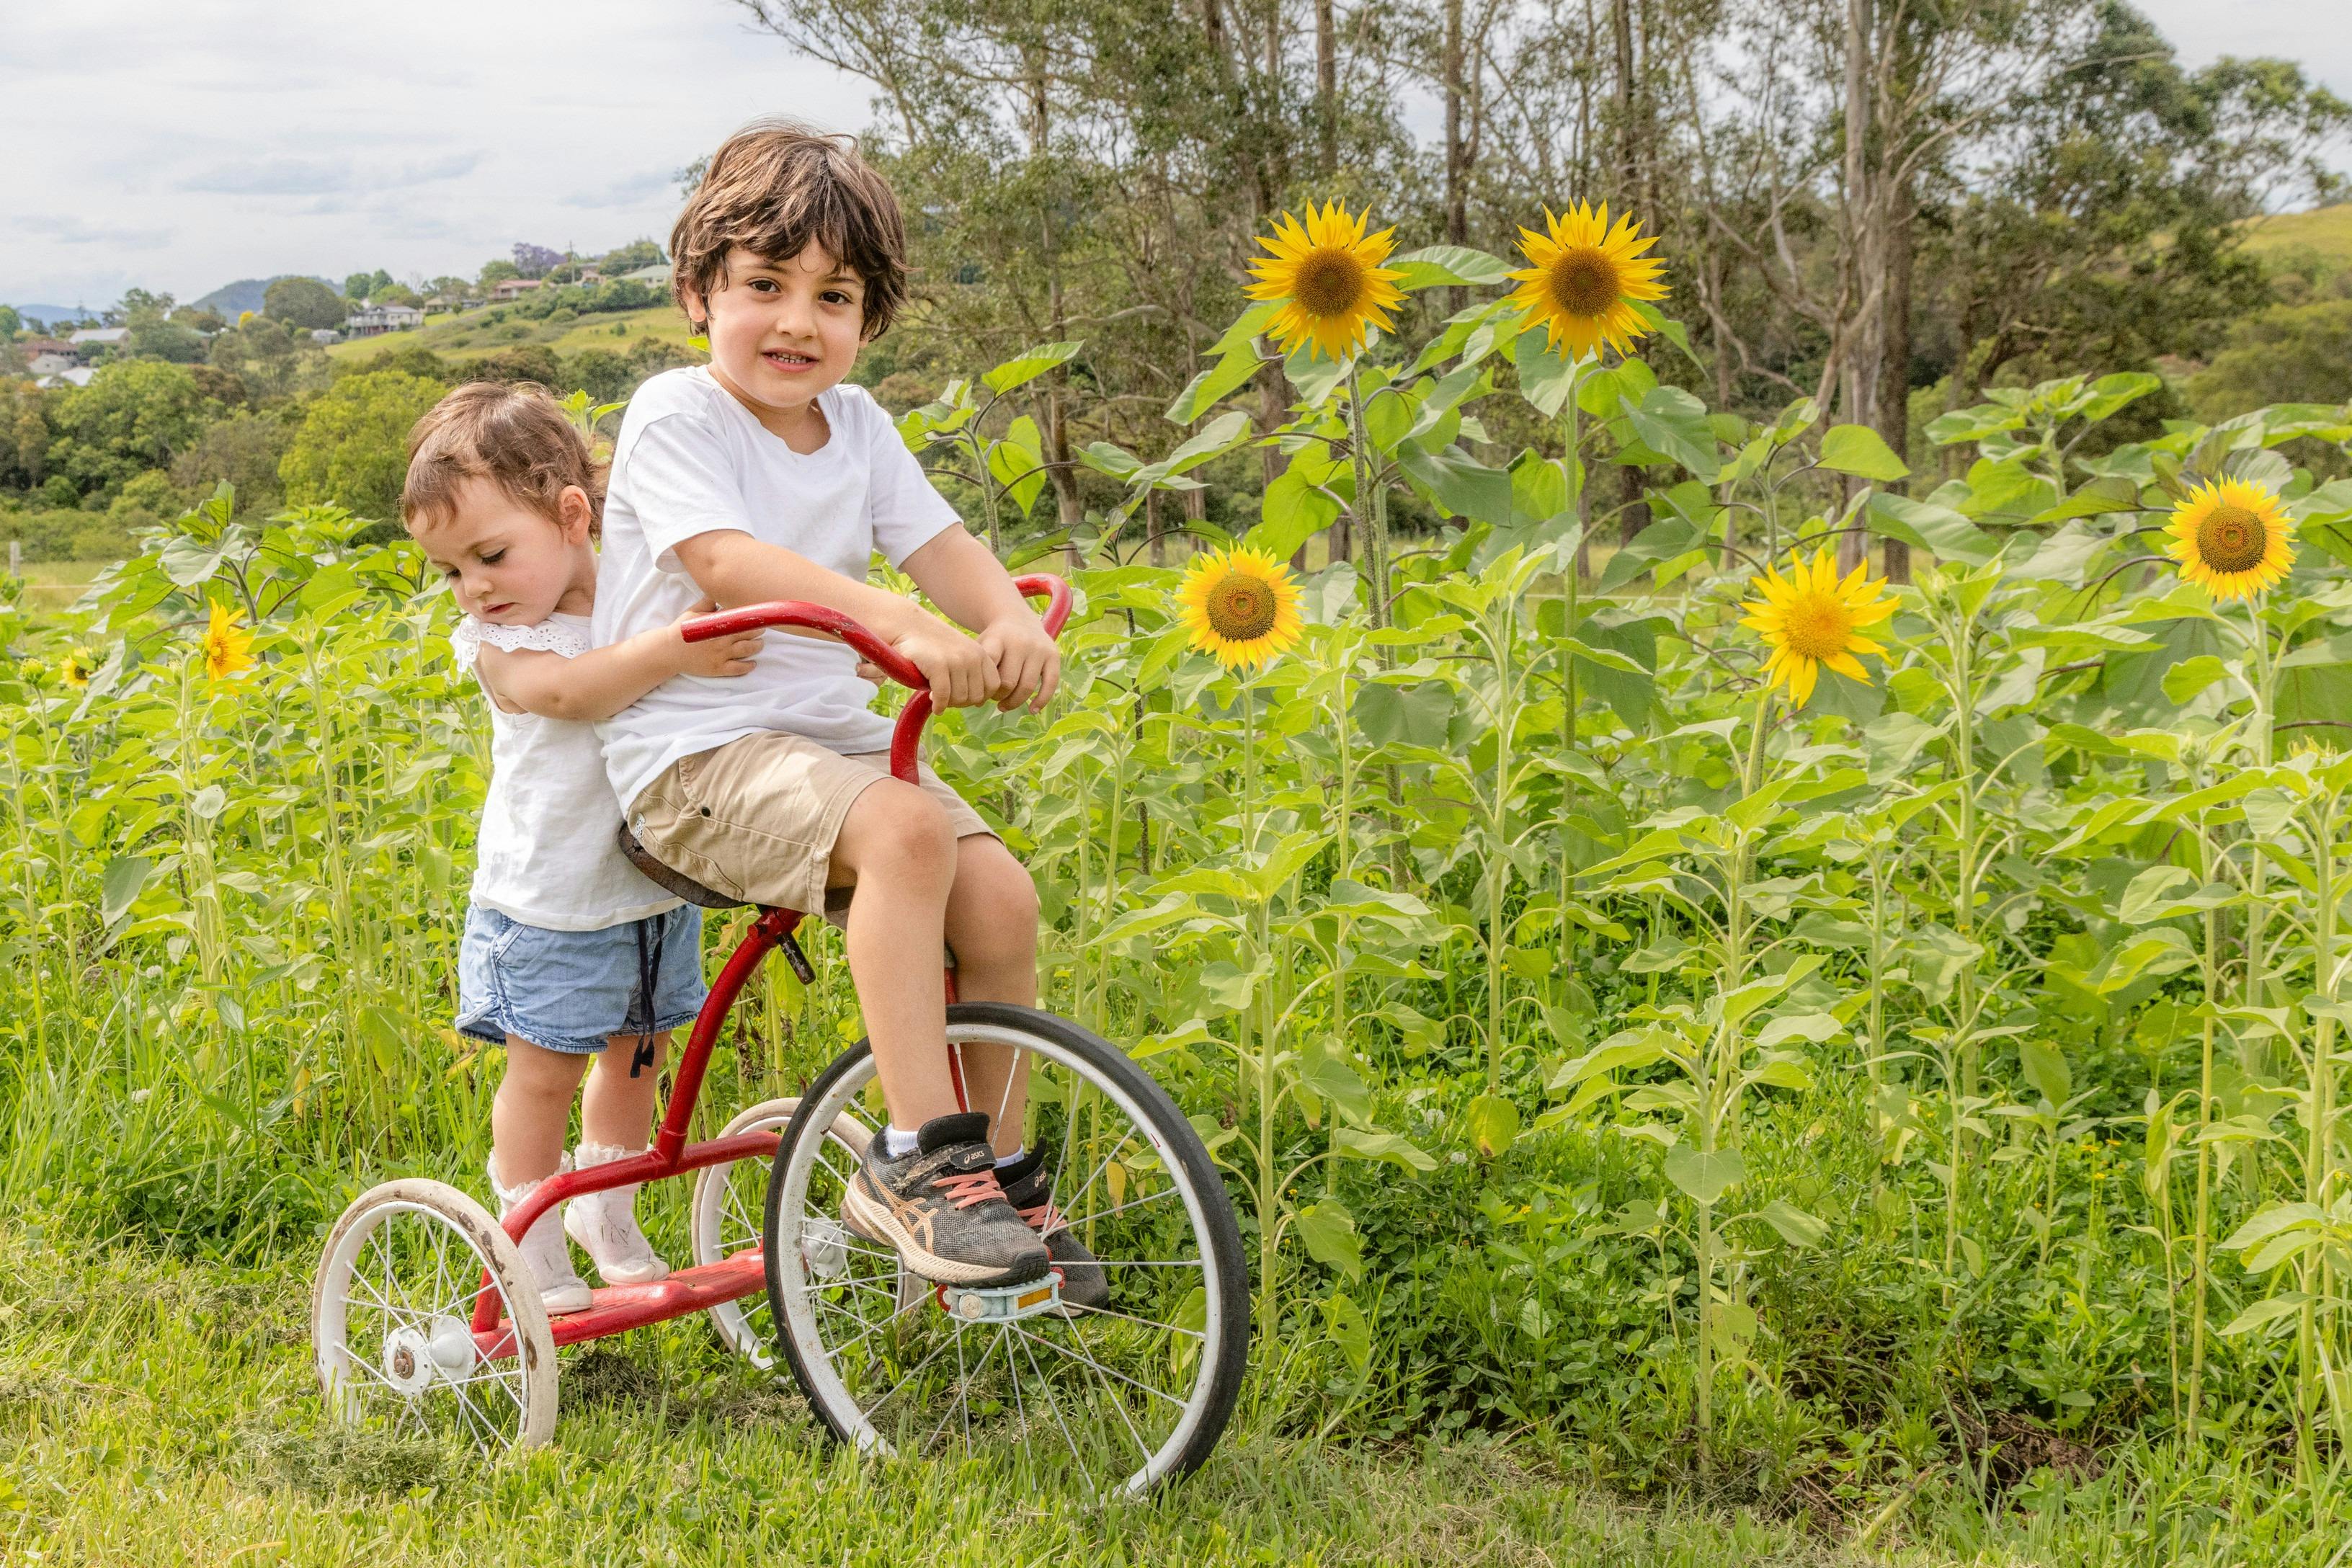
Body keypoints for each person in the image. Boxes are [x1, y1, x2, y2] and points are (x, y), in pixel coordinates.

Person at [594, 119, 1102, 1303]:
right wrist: (899, 623)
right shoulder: (678, 414)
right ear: (698, 293)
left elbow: (941, 543)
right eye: (766, 286)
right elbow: (725, 560)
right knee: (910, 832)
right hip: (695, 754)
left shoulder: (861, 425)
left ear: (869, 320)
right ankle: (917, 1161)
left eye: (835, 297)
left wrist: (1004, 620)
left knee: (1002, 900)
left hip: (830, 746)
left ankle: (1001, 1175)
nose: (798, 322)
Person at [401, 382, 767, 1313]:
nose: (474, 587)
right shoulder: (501, 644)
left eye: (490, 555)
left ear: (573, 516)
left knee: (640, 1056)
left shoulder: (634, 603)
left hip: (651, 892)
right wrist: (674, 650)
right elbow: (571, 694)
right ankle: (527, 1225)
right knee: (545, 1075)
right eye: (451, 571)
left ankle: (604, 1205)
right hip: (550, 905)